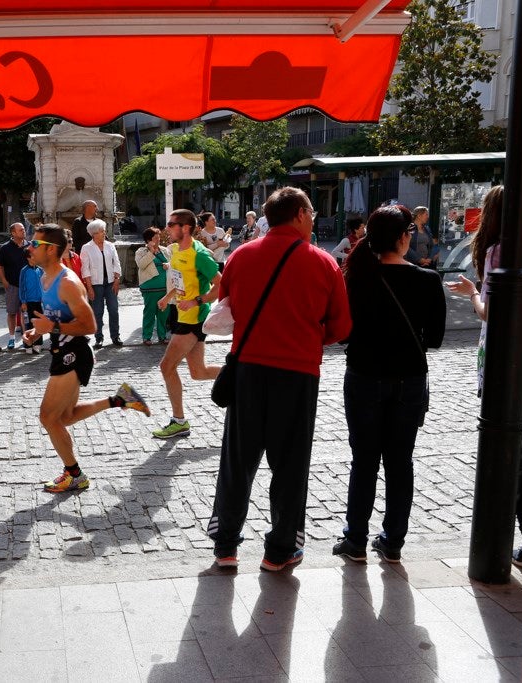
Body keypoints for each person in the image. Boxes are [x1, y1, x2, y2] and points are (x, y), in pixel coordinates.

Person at [207, 187, 351, 571]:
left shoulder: (240, 256)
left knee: (238, 459)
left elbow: (228, 304)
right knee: (289, 464)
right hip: (297, 373)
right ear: (301, 215)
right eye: (313, 213)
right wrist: (305, 336)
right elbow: (341, 326)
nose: (315, 218)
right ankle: (280, 549)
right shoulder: (323, 263)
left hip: (249, 369)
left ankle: (226, 545)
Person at [331, 205, 445, 564]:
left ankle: (355, 540)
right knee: (400, 462)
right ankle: (393, 539)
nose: (412, 234)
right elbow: (437, 338)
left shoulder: (358, 277)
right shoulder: (428, 281)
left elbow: (342, 335)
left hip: (364, 376)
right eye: (410, 229)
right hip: (409, 380)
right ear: (401, 237)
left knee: (363, 461)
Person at [447, 186, 522, 568]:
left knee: (517, 455)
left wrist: (473, 294)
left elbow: (491, 313)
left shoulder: (501, 251)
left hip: (511, 370)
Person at [23, 225, 150, 492]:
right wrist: (38, 332)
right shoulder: (44, 277)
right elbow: (57, 320)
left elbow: (90, 325)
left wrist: (52, 329)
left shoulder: (68, 282)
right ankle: (119, 399)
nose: (30, 247)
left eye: (35, 244)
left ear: (51, 250)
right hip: (61, 351)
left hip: (74, 353)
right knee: (64, 417)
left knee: (48, 418)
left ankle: (75, 475)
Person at [152, 209, 222, 439]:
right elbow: (181, 279)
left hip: (193, 318)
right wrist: (168, 296)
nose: (167, 228)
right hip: (182, 314)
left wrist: (196, 301)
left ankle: (179, 420)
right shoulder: (176, 250)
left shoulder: (199, 254)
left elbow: (221, 286)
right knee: (198, 372)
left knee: (166, 366)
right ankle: (240, 376)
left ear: (185, 228)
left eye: (172, 224)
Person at [80, 219, 123, 348]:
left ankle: (115, 336)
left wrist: (117, 280)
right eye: (101, 231)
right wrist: (89, 287)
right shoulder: (86, 247)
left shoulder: (110, 245)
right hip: (96, 284)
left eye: (104, 231)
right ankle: (99, 338)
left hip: (110, 282)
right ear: (93, 234)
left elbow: (117, 263)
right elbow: (85, 268)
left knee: (114, 310)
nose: (104, 233)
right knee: (98, 312)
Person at [0, 222, 29, 349]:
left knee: (25, 313)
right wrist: (4, 281)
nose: (23, 231)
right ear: (13, 233)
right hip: (12, 285)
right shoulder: (5, 248)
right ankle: (11, 338)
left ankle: (26, 338)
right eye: (20, 230)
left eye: (24, 229)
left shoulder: (30, 246)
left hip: (27, 286)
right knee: (12, 312)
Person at [135, 227, 170, 346]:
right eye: (156, 238)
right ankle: (147, 336)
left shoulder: (165, 250)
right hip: (149, 287)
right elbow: (141, 265)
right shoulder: (141, 252)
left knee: (163, 313)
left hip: (165, 287)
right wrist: (151, 252)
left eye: (159, 237)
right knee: (149, 312)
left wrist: (168, 265)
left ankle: (162, 335)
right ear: (149, 240)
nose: (159, 239)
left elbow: (173, 263)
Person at [18, 250, 44, 354]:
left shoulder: (40, 270)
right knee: (28, 323)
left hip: (39, 301)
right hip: (28, 301)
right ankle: (27, 344)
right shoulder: (24, 271)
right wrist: (23, 301)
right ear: (28, 258)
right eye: (33, 256)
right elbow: (22, 287)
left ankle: (37, 344)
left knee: (39, 324)